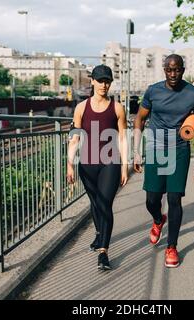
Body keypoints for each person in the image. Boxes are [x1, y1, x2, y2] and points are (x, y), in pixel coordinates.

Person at [133, 54, 194, 268]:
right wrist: (137, 151)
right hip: (156, 147)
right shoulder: (153, 91)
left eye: (177, 69)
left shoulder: (193, 94)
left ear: (183, 70)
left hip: (179, 149)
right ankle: (158, 220)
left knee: (174, 198)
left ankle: (172, 247)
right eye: (169, 69)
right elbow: (139, 118)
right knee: (152, 200)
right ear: (164, 69)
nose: (173, 74)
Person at [67, 64, 129, 271]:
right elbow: (74, 138)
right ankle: (98, 234)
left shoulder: (118, 108)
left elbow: (122, 138)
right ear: (92, 81)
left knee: (105, 205)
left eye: (107, 81)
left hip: (110, 163)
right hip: (87, 164)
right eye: (100, 80)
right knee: (95, 203)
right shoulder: (81, 108)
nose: (104, 84)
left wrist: (124, 166)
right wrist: (69, 164)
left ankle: (103, 251)